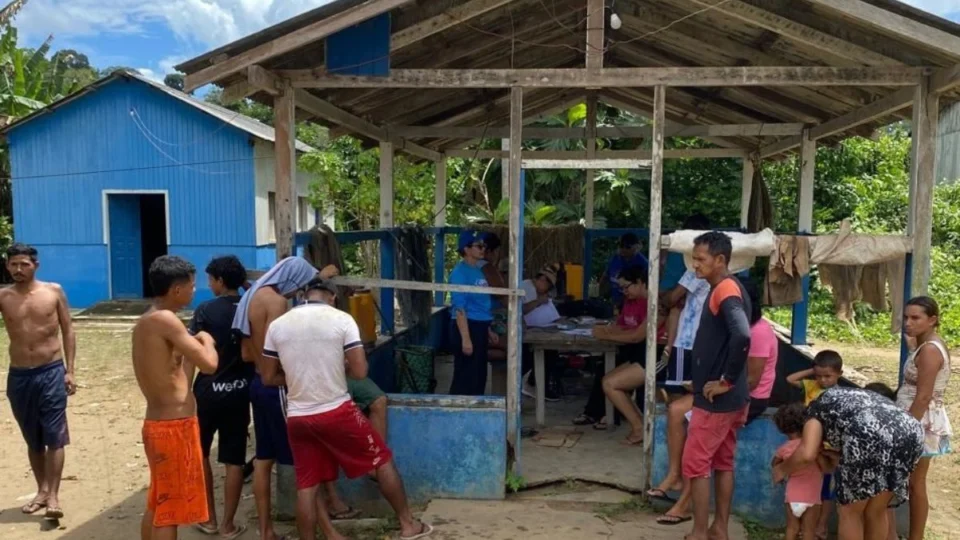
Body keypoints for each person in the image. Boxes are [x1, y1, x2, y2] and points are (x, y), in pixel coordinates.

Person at [261, 278, 433, 540]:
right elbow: (361, 371)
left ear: (304, 296)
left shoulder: (278, 325)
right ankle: (408, 524)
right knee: (382, 460)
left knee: (306, 486)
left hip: (298, 417)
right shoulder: (341, 319)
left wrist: (301, 377)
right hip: (337, 411)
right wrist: (336, 368)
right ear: (332, 297)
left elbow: (268, 378)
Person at [652, 275, 772, 526]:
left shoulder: (754, 331)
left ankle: (689, 512)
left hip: (736, 397)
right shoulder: (743, 326)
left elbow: (749, 379)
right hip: (727, 393)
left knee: (698, 462)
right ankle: (715, 524)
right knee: (716, 457)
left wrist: (720, 384)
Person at [231, 256, 333, 540]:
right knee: (306, 463)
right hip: (277, 387)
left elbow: (246, 353)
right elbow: (282, 349)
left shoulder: (251, 297)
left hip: (257, 385)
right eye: (300, 285)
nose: (298, 292)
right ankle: (326, 531)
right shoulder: (275, 302)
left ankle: (266, 531)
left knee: (264, 459)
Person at [132, 256, 219, 540]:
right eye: (192, 286)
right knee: (170, 510)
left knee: (159, 501)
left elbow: (179, 372)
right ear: (177, 290)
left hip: (159, 422)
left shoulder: (147, 321)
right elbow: (209, 364)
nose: (195, 291)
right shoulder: (166, 320)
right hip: (174, 426)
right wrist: (206, 340)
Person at [773, 386, 924, 540]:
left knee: (850, 511)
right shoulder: (842, 402)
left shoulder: (814, 413)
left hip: (869, 430)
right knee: (877, 510)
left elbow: (806, 453)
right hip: (911, 430)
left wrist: (781, 470)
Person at [683, 231, 752, 540]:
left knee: (695, 465)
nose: (695, 265)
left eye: (701, 259)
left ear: (720, 260)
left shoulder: (725, 289)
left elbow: (742, 335)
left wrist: (724, 380)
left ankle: (699, 532)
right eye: (693, 259)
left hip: (718, 399)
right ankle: (719, 528)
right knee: (723, 462)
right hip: (731, 397)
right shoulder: (727, 287)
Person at [0, 243, 76, 520]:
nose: (18, 270)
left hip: (51, 371)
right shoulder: (3, 296)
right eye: (13, 264)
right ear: (7, 266)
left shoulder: (53, 292)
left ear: (36, 265)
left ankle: (54, 497)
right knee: (33, 439)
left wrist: (70, 370)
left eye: (24, 264)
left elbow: (68, 329)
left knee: (55, 436)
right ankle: (42, 491)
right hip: (20, 375)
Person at [189, 256, 253, 539]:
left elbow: (193, 353)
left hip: (207, 393)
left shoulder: (205, 310)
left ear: (220, 281)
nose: (208, 284)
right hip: (240, 391)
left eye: (210, 279)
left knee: (200, 453)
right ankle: (228, 525)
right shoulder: (251, 307)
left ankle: (210, 519)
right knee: (234, 459)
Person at [894, 296, 953, 540]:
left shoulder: (929, 350)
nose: (908, 323)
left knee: (915, 483)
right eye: (906, 317)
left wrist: (906, 429)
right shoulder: (924, 344)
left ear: (933, 320)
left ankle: (915, 536)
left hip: (919, 421)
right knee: (913, 481)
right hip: (916, 419)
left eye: (915, 318)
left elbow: (923, 396)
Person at [591, 265, 665, 445]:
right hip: (644, 352)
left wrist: (606, 334)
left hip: (659, 354)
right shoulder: (640, 301)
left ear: (640, 282)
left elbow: (636, 336)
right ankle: (641, 425)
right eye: (621, 288)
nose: (623, 292)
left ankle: (640, 428)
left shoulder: (659, 303)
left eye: (626, 287)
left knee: (611, 384)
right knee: (608, 380)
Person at [787, 350, 843, 539]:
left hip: (827, 447)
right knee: (809, 486)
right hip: (808, 443)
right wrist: (811, 372)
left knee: (825, 488)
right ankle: (806, 526)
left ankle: (821, 525)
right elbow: (789, 378)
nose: (823, 380)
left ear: (839, 375)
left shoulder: (840, 395)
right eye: (819, 376)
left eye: (828, 376)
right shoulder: (811, 385)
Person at [324, 377, 389, 520]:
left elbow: (360, 367)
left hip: (345, 371)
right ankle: (332, 499)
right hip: (320, 375)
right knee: (328, 419)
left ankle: (375, 464)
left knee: (379, 400)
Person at [448, 230, 497, 396]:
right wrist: (466, 339)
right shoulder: (459, 273)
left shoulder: (477, 270)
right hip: (467, 327)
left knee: (478, 374)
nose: (483, 249)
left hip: (479, 326)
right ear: (467, 249)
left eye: (483, 246)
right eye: (478, 246)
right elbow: (460, 308)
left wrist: (488, 329)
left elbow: (480, 304)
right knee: (465, 375)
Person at [772, 403, 823, 540]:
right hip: (812, 497)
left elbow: (775, 465)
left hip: (793, 496)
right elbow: (824, 466)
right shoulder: (814, 448)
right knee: (809, 532)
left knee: (791, 528)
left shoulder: (783, 449)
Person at [520, 263, 562, 402]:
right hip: (523, 329)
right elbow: (522, 309)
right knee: (544, 350)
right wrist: (539, 301)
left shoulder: (539, 291)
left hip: (538, 328)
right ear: (542, 280)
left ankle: (537, 383)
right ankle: (534, 383)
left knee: (552, 348)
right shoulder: (527, 287)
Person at [745, 278, 778, 423]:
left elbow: (752, 382)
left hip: (752, 398)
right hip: (738, 392)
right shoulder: (743, 325)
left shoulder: (758, 332)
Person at [601, 233, 648, 307]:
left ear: (636, 247)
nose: (623, 249)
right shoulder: (615, 258)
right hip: (615, 301)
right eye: (621, 246)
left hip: (634, 304)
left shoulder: (643, 263)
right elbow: (606, 276)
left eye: (627, 247)